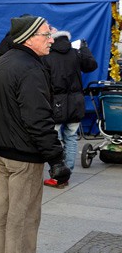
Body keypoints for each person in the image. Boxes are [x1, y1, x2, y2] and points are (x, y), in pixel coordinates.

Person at [0, 15, 70, 253]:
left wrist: (9, 122)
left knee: (2, 213)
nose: (50, 39)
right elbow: (38, 120)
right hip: (23, 154)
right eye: (45, 34)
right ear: (29, 37)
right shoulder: (30, 68)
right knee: (23, 217)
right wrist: (56, 158)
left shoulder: (2, 62)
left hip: (3, 151)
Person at [42, 29, 98, 185]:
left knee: (56, 138)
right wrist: (84, 48)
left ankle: (57, 173)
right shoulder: (75, 52)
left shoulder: (47, 55)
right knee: (71, 138)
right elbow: (91, 66)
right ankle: (68, 172)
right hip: (75, 102)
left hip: (56, 103)